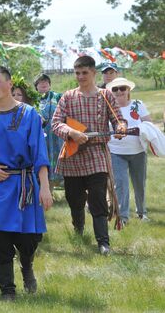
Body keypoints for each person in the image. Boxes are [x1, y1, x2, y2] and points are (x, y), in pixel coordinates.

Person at [0, 66, 53, 301]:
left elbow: (40, 154)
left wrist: (44, 187)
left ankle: (27, 266)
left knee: (28, 240)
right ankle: (8, 290)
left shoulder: (29, 115)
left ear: (9, 83)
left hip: (24, 185)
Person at [52, 56, 126, 255]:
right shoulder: (68, 96)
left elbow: (118, 119)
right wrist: (72, 132)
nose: (81, 76)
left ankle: (103, 243)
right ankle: (78, 230)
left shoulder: (105, 95)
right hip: (73, 154)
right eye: (77, 73)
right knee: (74, 198)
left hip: (97, 155)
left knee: (98, 198)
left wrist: (120, 127)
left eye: (85, 72)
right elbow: (56, 123)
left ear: (94, 73)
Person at [106, 78, 152, 225]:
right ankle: (123, 217)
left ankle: (142, 212)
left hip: (138, 151)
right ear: (111, 93)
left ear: (128, 90)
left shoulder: (137, 105)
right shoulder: (108, 108)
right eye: (115, 89)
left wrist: (141, 130)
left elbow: (149, 124)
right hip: (116, 151)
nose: (119, 91)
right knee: (121, 184)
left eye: (122, 88)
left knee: (139, 184)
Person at [34, 73, 63, 192]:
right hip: (39, 135)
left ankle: (51, 191)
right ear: (36, 86)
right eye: (40, 82)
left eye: (46, 81)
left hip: (56, 136)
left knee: (55, 160)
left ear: (50, 84)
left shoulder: (57, 97)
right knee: (42, 160)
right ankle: (41, 191)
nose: (43, 83)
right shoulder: (32, 99)